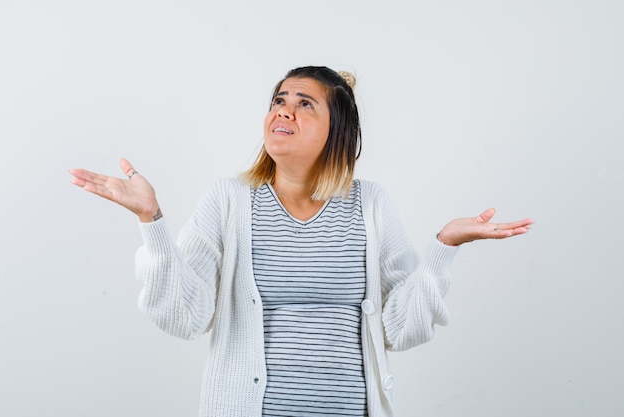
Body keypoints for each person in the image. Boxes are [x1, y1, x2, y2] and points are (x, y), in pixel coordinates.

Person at [69, 66, 533, 417]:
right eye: (279, 99)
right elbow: (184, 316)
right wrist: (151, 219)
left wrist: (443, 248)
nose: (283, 110)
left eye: (305, 103)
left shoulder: (370, 205)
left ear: (338, 129)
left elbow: (397, 328)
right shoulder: (229, 201)